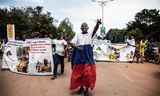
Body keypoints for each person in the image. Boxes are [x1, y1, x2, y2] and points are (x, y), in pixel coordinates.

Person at [69, 19, 101, 96]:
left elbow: (95, 29)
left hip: (88, 56)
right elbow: (72, 43)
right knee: (79, 73)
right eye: (82, 26)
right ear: (80, 28)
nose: (84, 27)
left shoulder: (90, 34)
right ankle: (81, 87)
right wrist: (77, 48)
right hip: (79, 57)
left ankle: (87, 89)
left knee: (88, 73)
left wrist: (97, 24)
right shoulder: (78, 35)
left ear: (88, 27)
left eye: (85, 26)